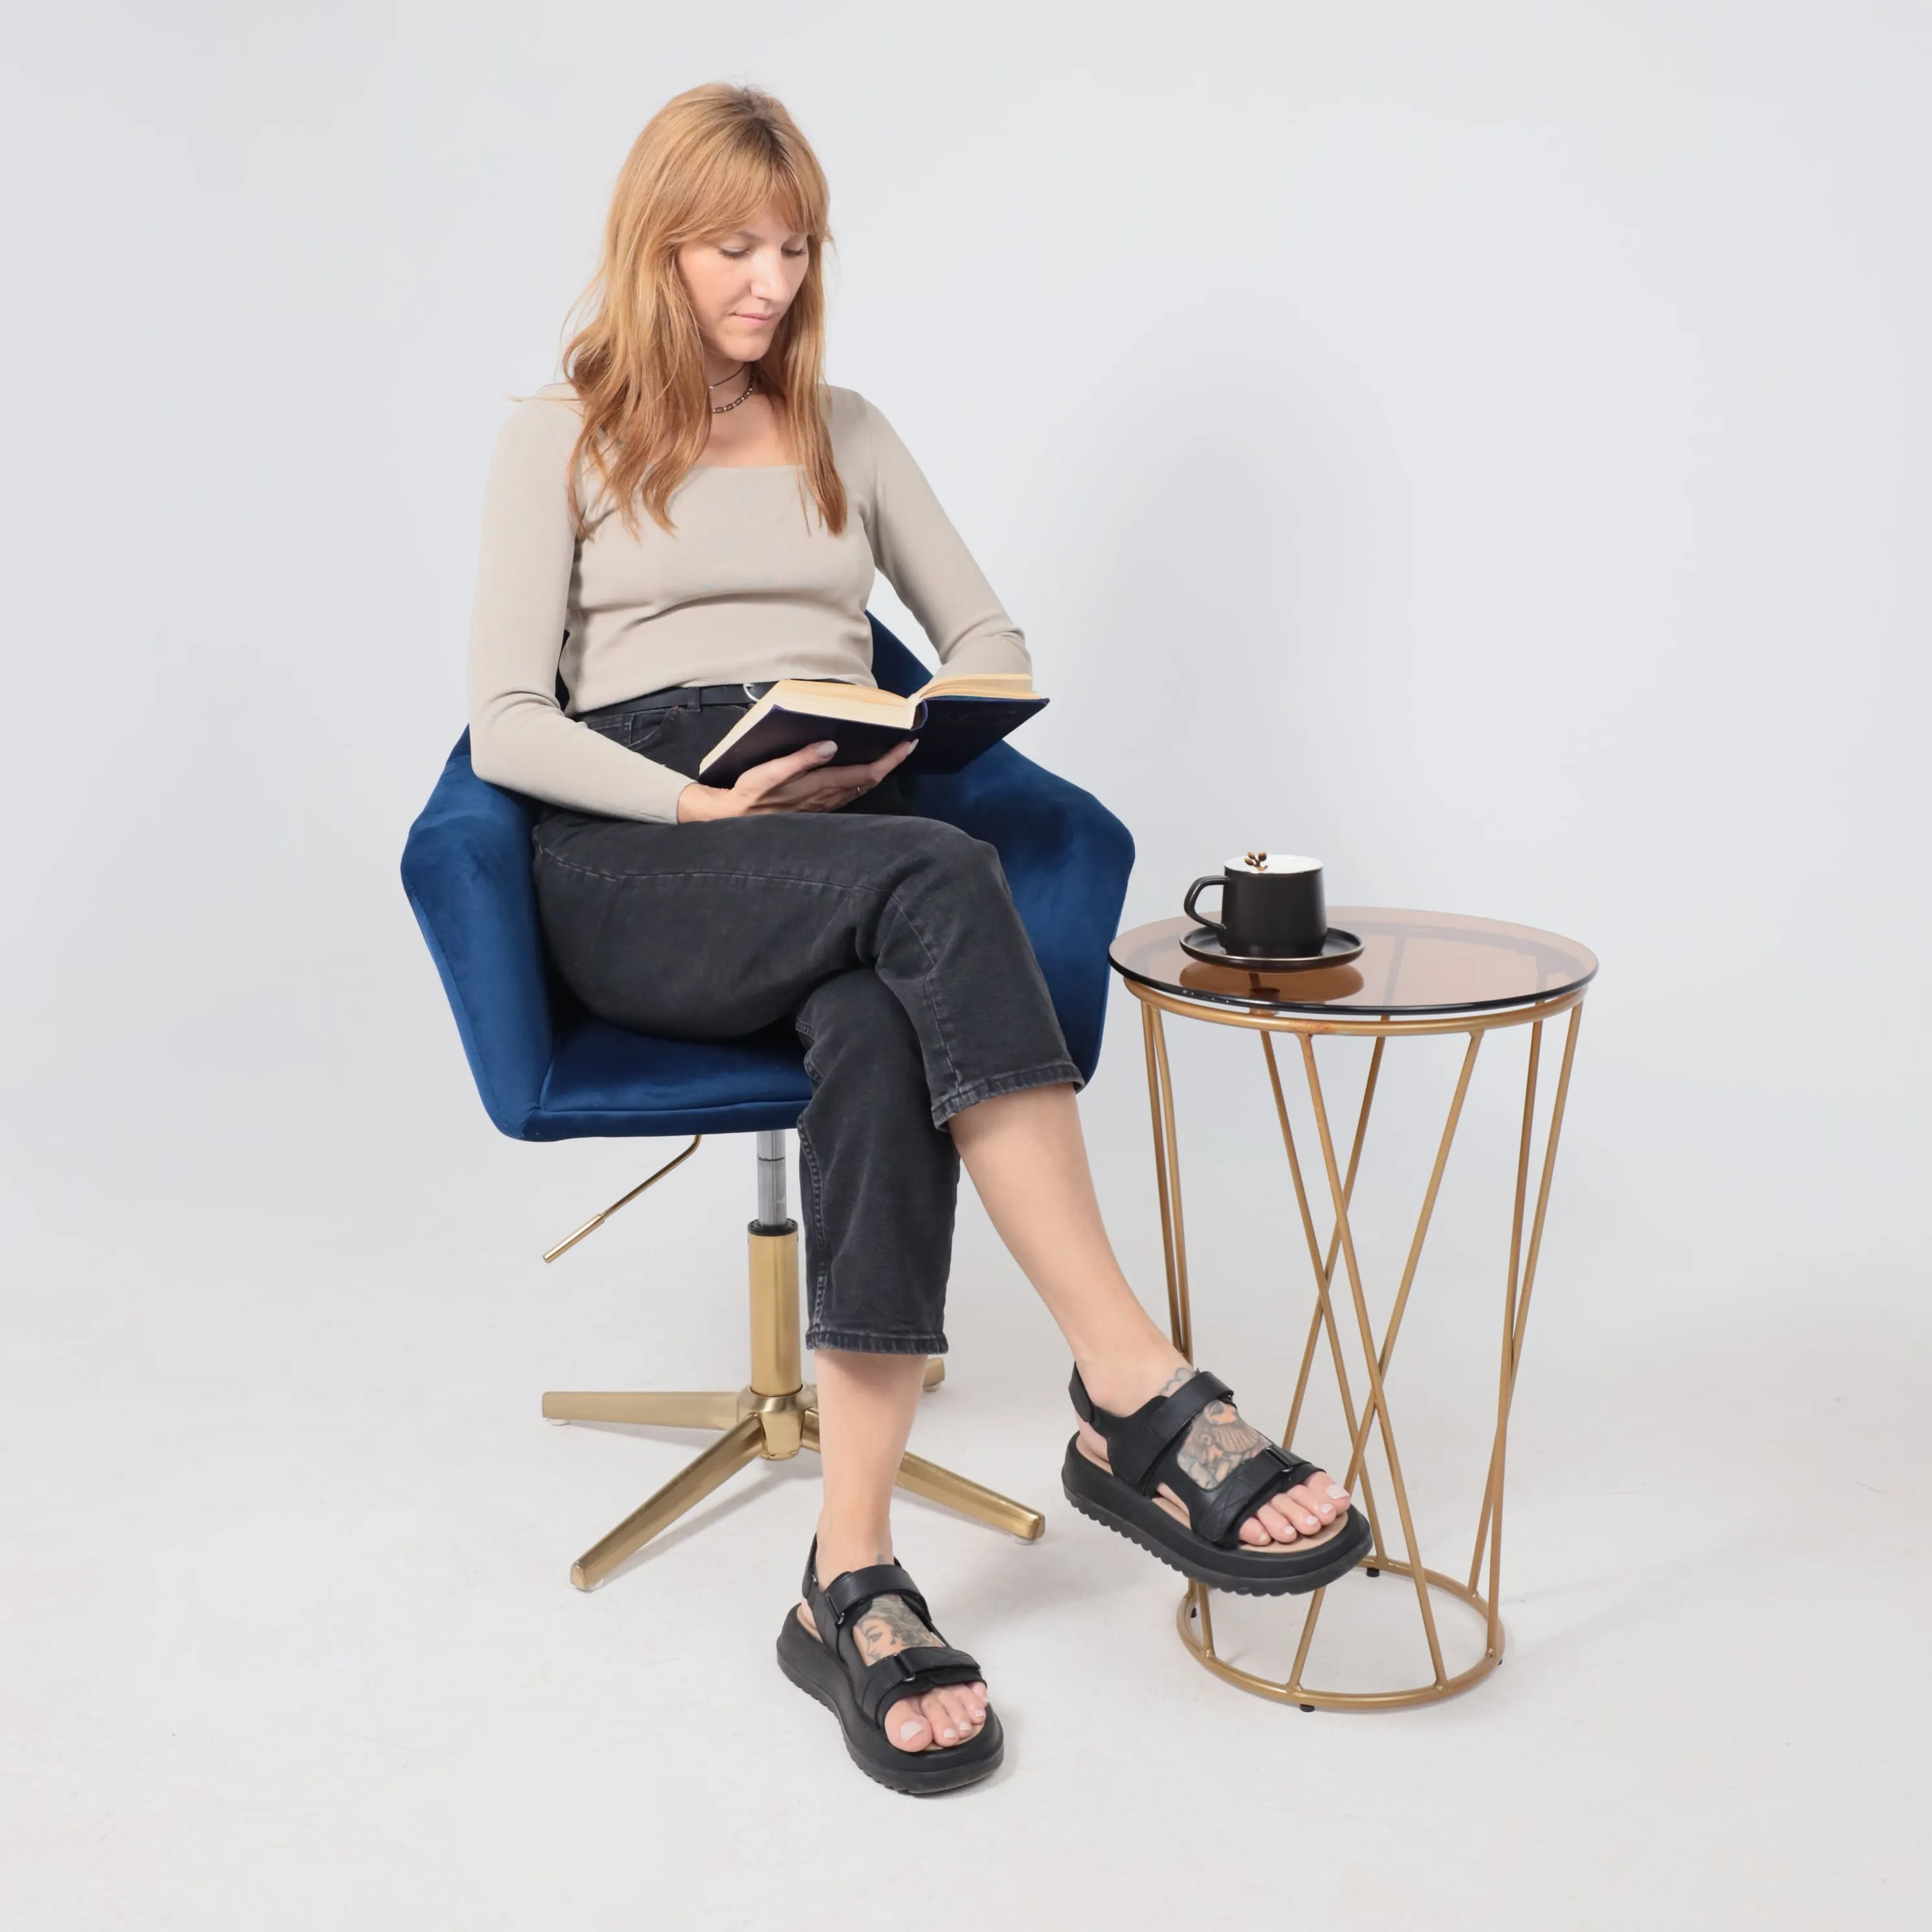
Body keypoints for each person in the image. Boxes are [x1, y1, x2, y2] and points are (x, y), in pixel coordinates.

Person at [467, 82, 1367, 1794]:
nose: (771, 284)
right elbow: (505, 722)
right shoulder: (558, 435)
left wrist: (899, 740)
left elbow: (990, 636)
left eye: (796, 249)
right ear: (657, 245)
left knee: (883, 1027)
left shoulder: (847, 433)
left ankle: (848, 1577)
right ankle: (1134, 1386)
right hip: (639, 859)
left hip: (828, 828)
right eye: (734, 248)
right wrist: (697, 809)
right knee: (942, 882)